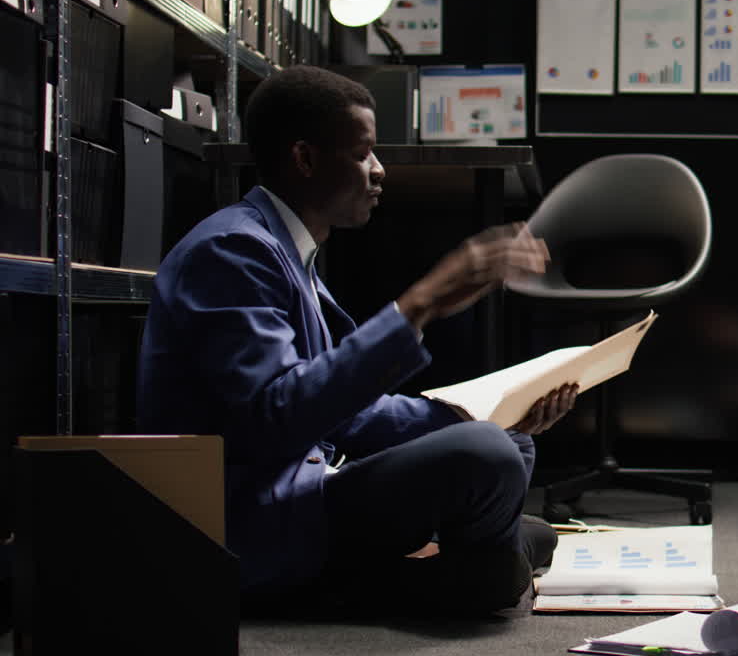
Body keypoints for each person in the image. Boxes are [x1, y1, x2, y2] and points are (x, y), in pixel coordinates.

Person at [137, 65, 578, 616]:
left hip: (310, 483)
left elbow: (346, 417)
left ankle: (472, 563)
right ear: (305, 159)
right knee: (487, 458)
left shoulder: (284, 250)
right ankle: (459, 567)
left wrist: (482, 411)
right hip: (258, 519)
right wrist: (420, 304)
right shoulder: (231, 251)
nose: (379, 169)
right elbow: (274, 418)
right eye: (364, 153)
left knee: (506, 441)